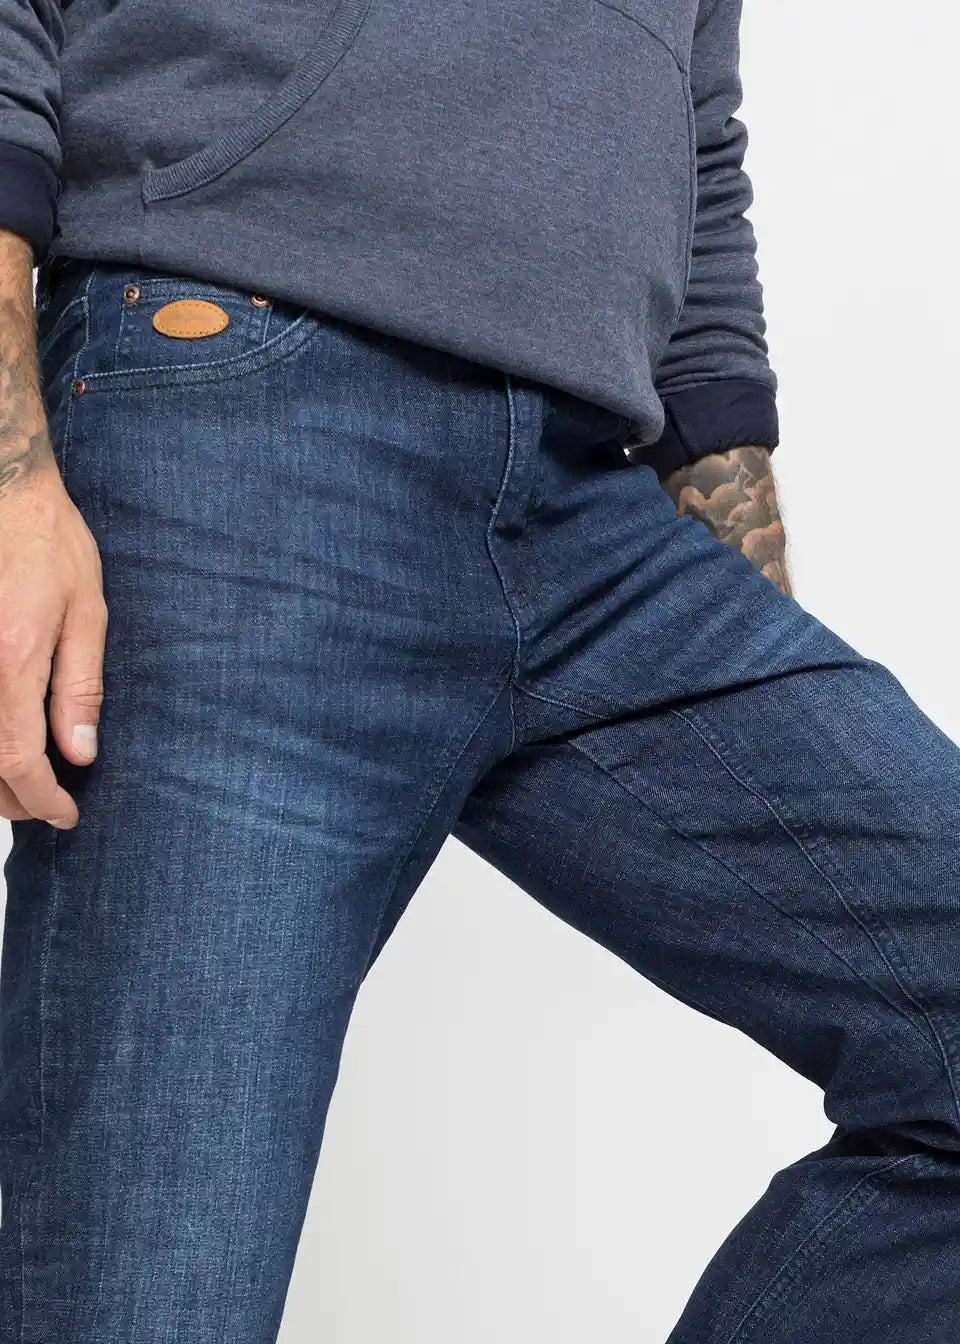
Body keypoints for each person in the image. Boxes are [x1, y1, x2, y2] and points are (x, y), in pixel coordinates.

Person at [0, 1, 957, 1340]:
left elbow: (693, 142)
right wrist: (12, 487)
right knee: (147, 1295)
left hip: (598, 501)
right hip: (240, 423)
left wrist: (743, 590)